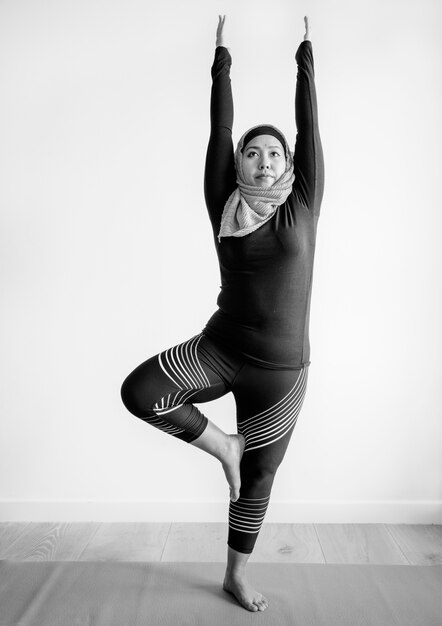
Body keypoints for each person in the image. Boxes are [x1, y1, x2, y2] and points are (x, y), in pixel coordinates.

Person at [120, 14, 324, 613]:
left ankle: (236, 575)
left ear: (289, 166)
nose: (263, 161)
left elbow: (310, 125)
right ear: (236, 166)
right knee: (140, 391)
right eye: (252, 154)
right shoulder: (223, 204)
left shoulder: (305, 203)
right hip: (220, 348)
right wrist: (221, 56)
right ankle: (223, 446)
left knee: (258, 484)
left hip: (281, 375)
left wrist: (305, 54)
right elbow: (221, 126)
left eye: (274, 154)